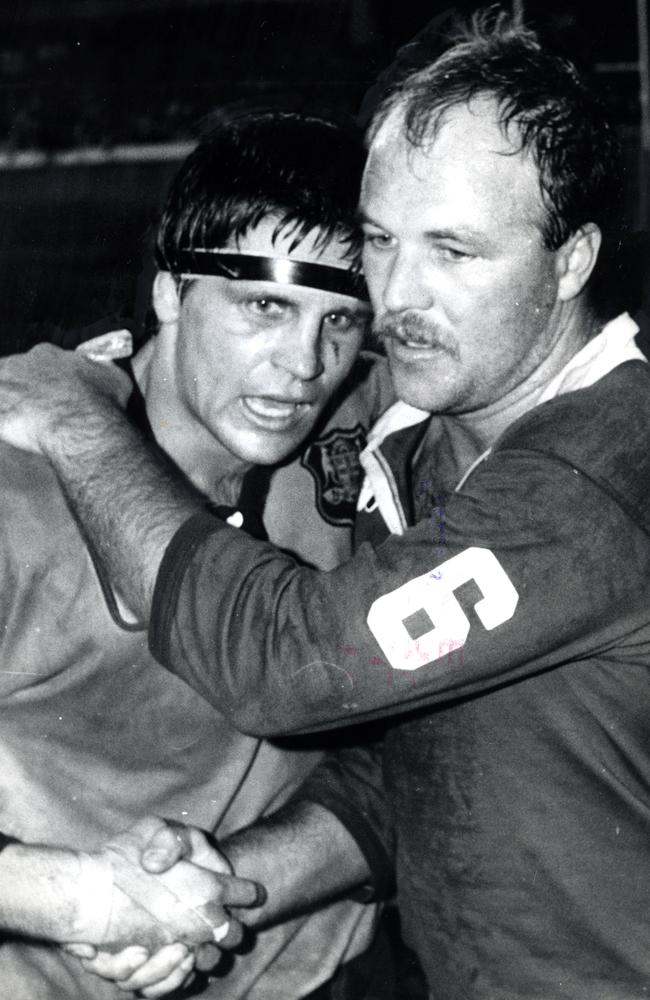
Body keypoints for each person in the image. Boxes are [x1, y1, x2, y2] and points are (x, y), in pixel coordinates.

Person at [0, 10, 648, 998]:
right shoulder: (410, 431)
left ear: (571, 260)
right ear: (169, 296)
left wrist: (76, 422)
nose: (394, 304)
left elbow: (297, 667)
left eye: (454, 252)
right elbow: (405, 767)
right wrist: (128, 896)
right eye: (383, 242)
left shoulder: (537, 466)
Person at [0, 108, 391, 999]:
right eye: (266, 305)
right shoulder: (16, 489)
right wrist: (87, 899)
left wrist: (225, 893)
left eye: (343, 321)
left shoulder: (375, 433)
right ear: (171, 294)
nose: (305, 366)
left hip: (308, 964)